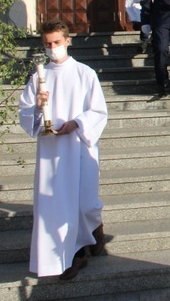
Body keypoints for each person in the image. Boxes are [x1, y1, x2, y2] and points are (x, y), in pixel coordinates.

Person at [18, 19, 108, 281]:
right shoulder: (39, 77)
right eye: (47, 44)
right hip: (51, 150)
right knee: (55, 206)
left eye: (57, 42)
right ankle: (72, 256)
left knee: (85, 204)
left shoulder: (84, 73)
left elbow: (99, 110)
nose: (52, 48)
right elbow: (26, 113)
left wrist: (77, 123)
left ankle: (95, 229)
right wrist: (36, 106)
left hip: (79, 146)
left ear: (68, 41)